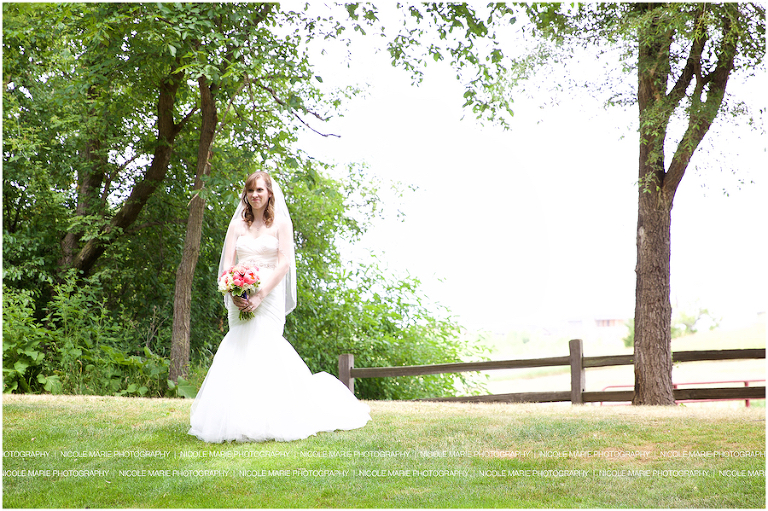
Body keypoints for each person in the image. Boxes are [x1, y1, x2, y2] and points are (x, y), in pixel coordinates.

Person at [189, 171, 371, 443]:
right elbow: (227, 264)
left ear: (269, 193)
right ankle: (239, 419)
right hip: (240, 294)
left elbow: (284, 263)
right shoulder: (237, 226)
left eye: (260, 190)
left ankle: (274, 417)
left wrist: (260, 295)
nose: (255, 195)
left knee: (265, 348)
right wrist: (233, 291)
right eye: (251, 190)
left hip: (269, 295)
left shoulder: (281, 224)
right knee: (239, 348)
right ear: (246, 195)